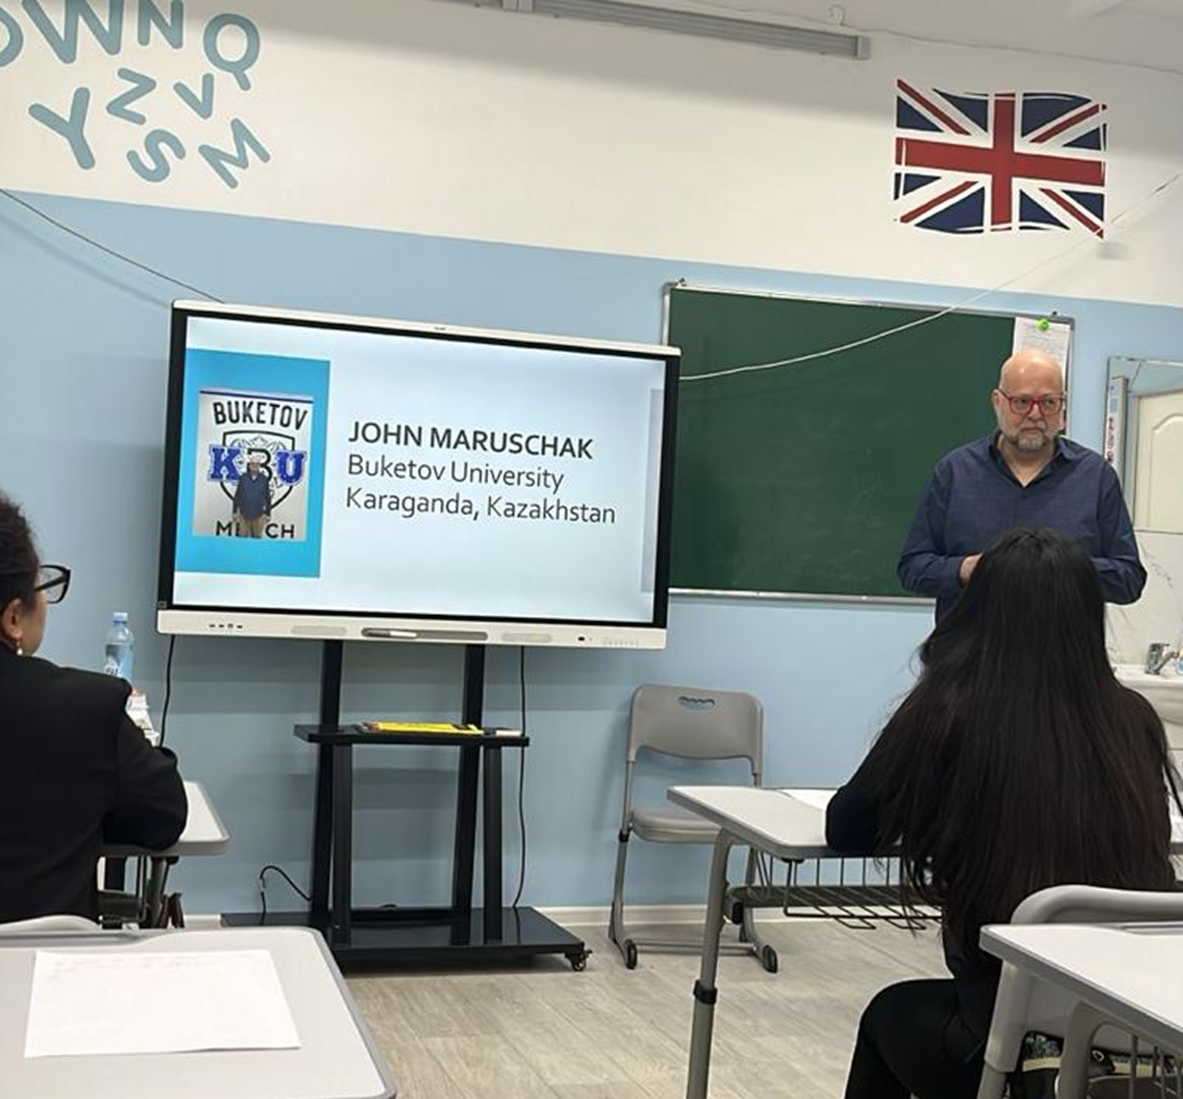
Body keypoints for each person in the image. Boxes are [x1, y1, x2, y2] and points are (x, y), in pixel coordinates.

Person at [827, 527, 1180, 1099]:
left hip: (1011, 1051)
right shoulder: (1133, 719)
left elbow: (847, 828)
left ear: (979, 610)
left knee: (887, 1017)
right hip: (1142, 1040)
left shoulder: (947, 708)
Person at [0, 492, 187, 924]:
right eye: (42, 588)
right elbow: (165, 818)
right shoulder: (88, 707)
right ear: (13, 618)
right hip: (48, 962)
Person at [898, 348, 1145, 620]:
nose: (1035, 414)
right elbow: (912, 569)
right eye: (1022, 401)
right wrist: (969, 569)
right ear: (997, 401)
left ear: (1063, 404)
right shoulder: (954, 472)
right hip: (971, 646)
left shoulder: (1096, 476)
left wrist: (1060, 570)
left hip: (1062, 647)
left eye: (1049, 402)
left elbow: (1129, 580)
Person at [232, 453, 271, 538]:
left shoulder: (264, 479)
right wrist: (234, 511)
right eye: (253, 464)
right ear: (249, 466)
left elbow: (267, 497)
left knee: (257, 539)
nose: (254, 466)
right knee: (242, 538)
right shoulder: (243, 478)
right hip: (244, 514)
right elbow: (237, 495)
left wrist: (268, 513)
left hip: (259, 515)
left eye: (256, 464)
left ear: (259, 466)